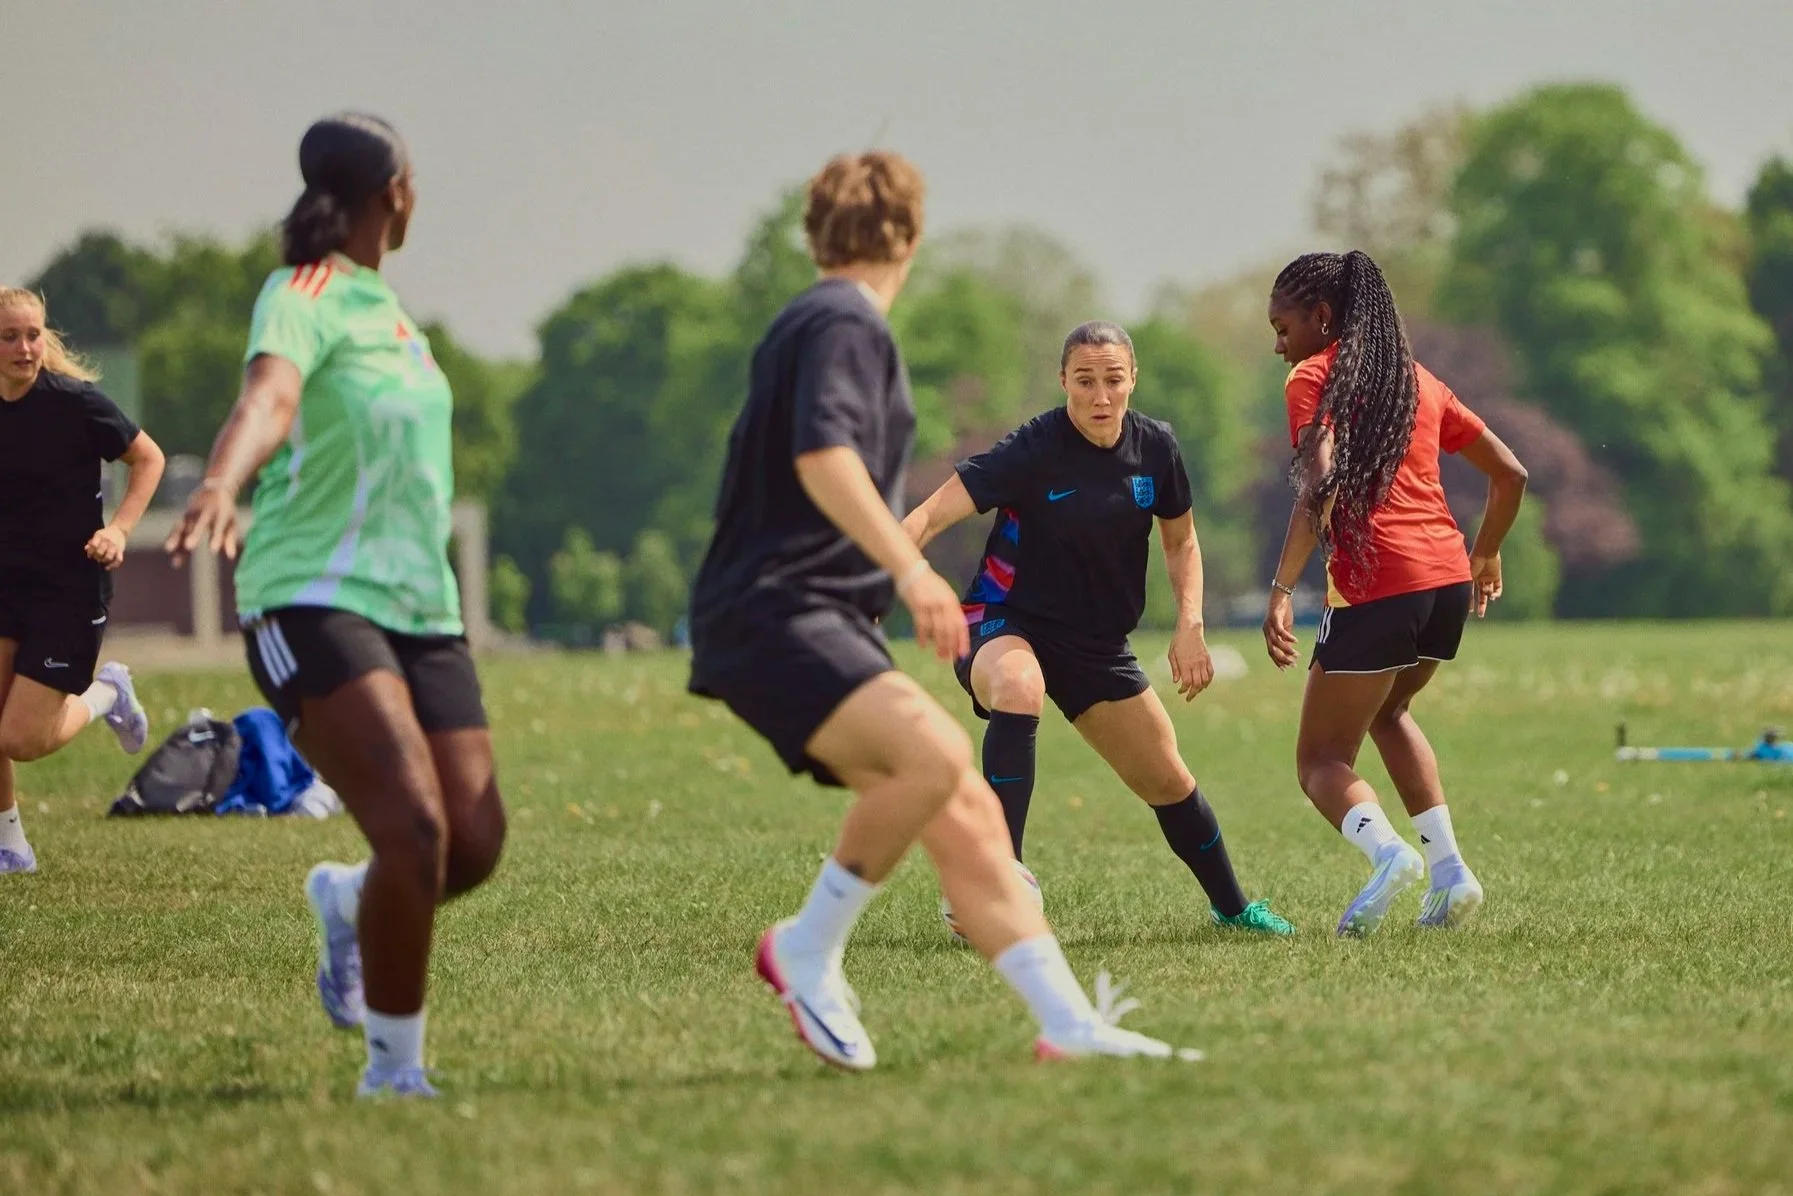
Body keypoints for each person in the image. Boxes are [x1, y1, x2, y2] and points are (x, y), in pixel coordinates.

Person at [689, 152, 1196, 1070]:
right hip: (774, 610)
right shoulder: (846, 322)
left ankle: (1069, 1025)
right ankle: (804, 947)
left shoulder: (813, 320)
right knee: (932, 761)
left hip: (796, 610)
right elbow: (823, 458)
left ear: (812, 235)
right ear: (912, 237)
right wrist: (912, 573)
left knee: (960, 800)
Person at [167, 114, 505, 1098]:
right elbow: (269, 398)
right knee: (413, 827)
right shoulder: (302, 290)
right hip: (309, 594)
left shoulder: (393, 315)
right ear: (394, 189)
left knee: (472, 842)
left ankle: (350, 900)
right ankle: (393, 1073)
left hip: (419, 607)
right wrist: (225, 480)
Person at [904, 322, 1294, 938]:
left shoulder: (1156, 450)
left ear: (1132, 379)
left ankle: (1234, 910)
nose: (1100, 396)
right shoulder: (1032, 448)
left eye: (1113, 380)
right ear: (1063, 382)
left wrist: (1190, 622)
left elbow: (1181, 539)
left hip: (1096, 643)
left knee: (1166, 776)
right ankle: (998, 876)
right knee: (1017, 683)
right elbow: (927, 515)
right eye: (1085, 381)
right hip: (1006, 620)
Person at [1261, 250, 1527, 936]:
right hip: (1444, 583)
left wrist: (1280, 588)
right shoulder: (1417, 380)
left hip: (1379, 583)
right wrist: (1486, 551)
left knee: (1320, 760)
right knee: (1391, 712)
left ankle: (1389, 857)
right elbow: (1511, 474)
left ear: (1322, 318)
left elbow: (1316, 489)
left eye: (1283, 327)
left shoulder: (1310, 379)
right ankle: (1451, 875)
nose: (1277, 343)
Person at [0, 288, 163, 876]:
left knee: (20, 738)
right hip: (6, 586)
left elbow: (150, 459)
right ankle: (10, 847)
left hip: (69, 590)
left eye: (34, 334)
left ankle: (107, 694)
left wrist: (118, 529)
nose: (25, 348)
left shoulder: (76, 404)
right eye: (10, 336)